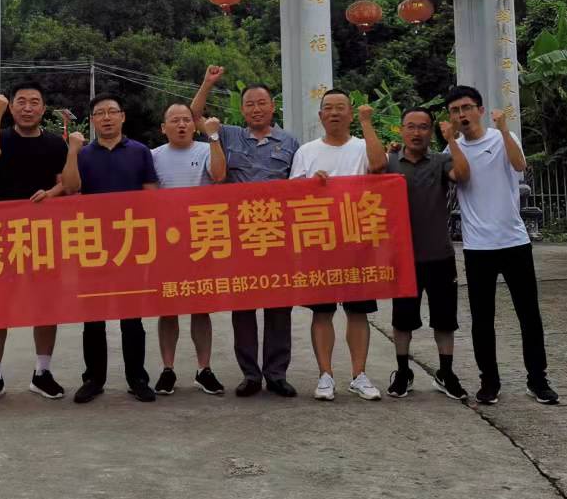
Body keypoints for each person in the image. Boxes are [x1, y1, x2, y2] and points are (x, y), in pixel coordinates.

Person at [444, 86, 559, 406]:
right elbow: (459, 177)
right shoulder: (452, 149)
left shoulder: (501, 138)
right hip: (477, 246)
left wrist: (505, 129)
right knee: (482, 319)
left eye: (467, 107)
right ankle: (489, 381)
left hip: (514, 241)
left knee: (529, 315)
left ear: (480, 110)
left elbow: (520, 166)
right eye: (455, 110)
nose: (462, 114)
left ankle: (537, 379)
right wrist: (451, 141)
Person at [190, 65, 300, 398]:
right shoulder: (228, 135)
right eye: (249, 104)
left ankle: (276, 374)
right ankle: (250, 374)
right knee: (244, 306)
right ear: (242, 110)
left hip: (277, 236)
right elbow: (194, 115)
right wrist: (207, 83)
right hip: (240, 236)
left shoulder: (290, 142)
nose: (256, 109)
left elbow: (300, 186)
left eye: (261, 103)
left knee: (279, 307)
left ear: (272, 106)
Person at [0, 83, 71, 404]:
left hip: (44, 236)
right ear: (12, 107)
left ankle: (42, 373)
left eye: (34, 102)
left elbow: (66, 184)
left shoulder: (56, 144)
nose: (27, 108)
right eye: (21, 102)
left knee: (45, 305)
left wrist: (51, 193)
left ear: (43, 108)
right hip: (1, 236)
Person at [289, 89, 387, 401]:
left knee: (358, 312)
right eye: (328, 108)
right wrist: (310, 185)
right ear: (320, 116)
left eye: (340, 108)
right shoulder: (306, 151)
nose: (334, 113)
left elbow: (379, 165)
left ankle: (359, 375)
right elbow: (291, 194)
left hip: (358, 242)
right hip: (321, 242)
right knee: (322, 312)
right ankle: (325, 375)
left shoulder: (362, 146)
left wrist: (367, 124)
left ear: (350, 113)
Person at [61, 94, 160, 404]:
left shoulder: (140, 151)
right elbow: (71, 188)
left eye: (111, 112)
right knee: (93, 317)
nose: (106, 118)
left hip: (131, 245)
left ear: (122, 116)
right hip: (92, 245)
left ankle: (137, 378)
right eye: (99, 113)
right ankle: (94, 379)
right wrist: (72, 151)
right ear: (92, 120)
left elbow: (151, 195)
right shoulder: (83, 154)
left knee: (132, 317)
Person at [385, 107, 470, 401]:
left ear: (431, 132)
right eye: (411, 126)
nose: (417, 132)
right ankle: (402, 372)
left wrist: (452, 140)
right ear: (401, 130)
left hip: (440, 256)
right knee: (402, 320)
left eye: (423, 127)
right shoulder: (390, 162)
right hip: (403, 258)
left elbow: (462, 174)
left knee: (444, 320)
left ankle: (446, 373)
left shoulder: (441, 161)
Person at [151, 103, 227, 396]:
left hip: (201, 240)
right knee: (168, 309)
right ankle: (167, 369)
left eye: (186, 120)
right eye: (174, 120)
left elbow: (219, 175)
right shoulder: (153, 156)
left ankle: (203, 369)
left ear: (194, 126)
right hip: (166, 244)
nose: (181, 124)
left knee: (200, 308)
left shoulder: (207, 149)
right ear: (163, 127)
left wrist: (214, 137)